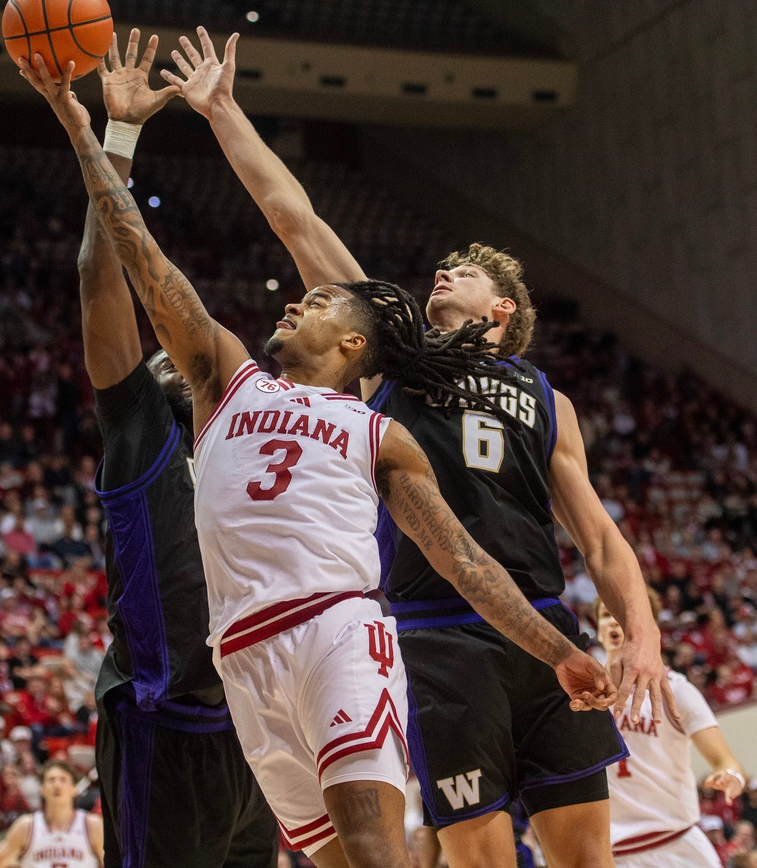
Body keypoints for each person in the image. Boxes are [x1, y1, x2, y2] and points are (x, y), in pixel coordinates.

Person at [20, 50, 615, 868]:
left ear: (354, 342)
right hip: (243, 658)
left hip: (337, 631)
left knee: (374, 850)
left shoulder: (380, 430)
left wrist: (560, 652)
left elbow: (462, 560)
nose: (298, 301)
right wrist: (87, 128)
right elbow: (138, 256)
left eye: (321, 301)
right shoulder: (224, 378)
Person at [160, 27, 672, 867]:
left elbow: (602, 538)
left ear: (503, 309)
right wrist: (221, 111)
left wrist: (642, 636)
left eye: (463, 274)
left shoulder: (549, 399)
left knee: (588, 858)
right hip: (436, 631)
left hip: (544, 619)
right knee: (477, 858)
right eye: (440, 268)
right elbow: (297, 218)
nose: (441, 274)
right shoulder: (394, 353)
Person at [44, 30, 277, 868]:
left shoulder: (256, 432)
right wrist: (112, 138)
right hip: (163, 719)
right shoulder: (146, 429)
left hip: (255, 726)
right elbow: (97, 282)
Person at [598, 593, 746, 866]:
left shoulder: (677, 689)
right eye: (606, 615)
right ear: (597, 627)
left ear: (650, 626)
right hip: (612, 851)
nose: (614, 623)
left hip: (678, 841)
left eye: (624, 616)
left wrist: (730, 774)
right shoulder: (585, 692)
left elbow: (724, 759)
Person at [0, 759, 104, 868]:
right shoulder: (26, 826)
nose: (57, 785)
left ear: (74, 789)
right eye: (51, 780)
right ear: (42, 789)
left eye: (63, 780)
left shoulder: (92, 825)